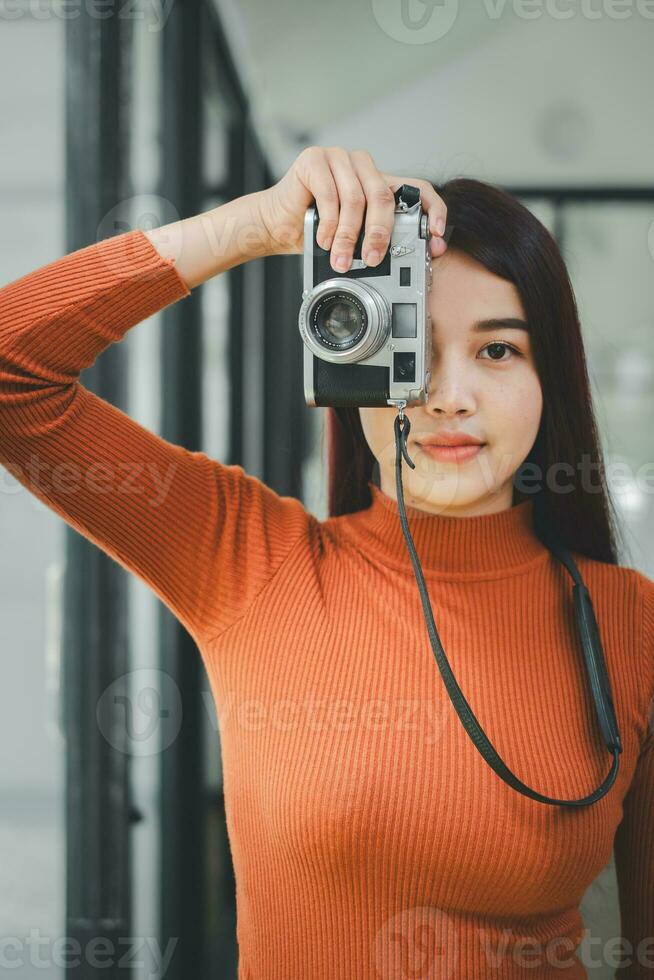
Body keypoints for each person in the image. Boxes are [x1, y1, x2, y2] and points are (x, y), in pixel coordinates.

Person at [0, 145, 652, 978]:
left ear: (550, 380)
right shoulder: (247, 560)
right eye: (410, 345)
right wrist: (254, 227)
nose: (449, 396)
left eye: (498, 351)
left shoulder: (630, 621)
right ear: (348, 368)